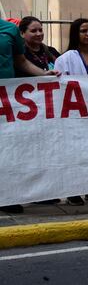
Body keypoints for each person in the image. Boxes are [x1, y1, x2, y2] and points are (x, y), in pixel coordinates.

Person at [0, 18, 60, 214]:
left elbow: (21, 61)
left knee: (9, 149)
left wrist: (43, 74)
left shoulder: (9, 30)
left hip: (7, 101)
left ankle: (9, 195)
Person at [53, 19, 88, 206]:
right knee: (76, 154)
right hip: (75, 114)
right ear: (75, 34)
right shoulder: (65, 58)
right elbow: (59, 86)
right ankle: (73, 191)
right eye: (84, 31)